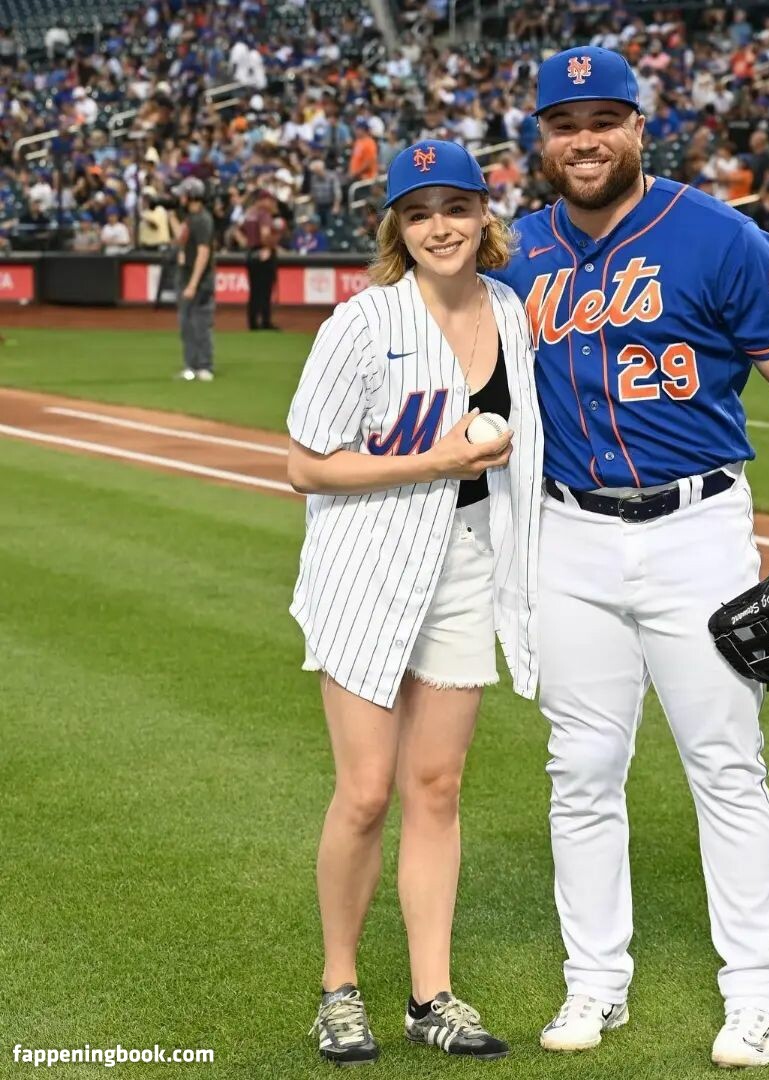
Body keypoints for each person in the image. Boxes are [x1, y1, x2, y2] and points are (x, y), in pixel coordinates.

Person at [491, 46, 769, 1069]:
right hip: (566, 535)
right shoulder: (515, 252)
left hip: (696, 530)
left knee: (725, 763)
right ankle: (594, 981)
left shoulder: (719, 236)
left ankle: (755, 991)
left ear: (640, 127)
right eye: (565, 124)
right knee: (581, 769)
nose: (585, 140)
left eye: (603, 119)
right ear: (541, 139)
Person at [288, 140, 543, 1067]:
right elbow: (304, 465)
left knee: (436, 788)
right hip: (366, 560)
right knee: (364, 793)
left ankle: (431, 996)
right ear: (397, 227)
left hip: (466, 561)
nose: (441, 227)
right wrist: (435, 459)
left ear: (484, 213)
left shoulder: (511, 312)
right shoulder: (363, 323)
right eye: (420, 211)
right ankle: (339, 989)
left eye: (456, 207)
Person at [173, 177, 215, 381]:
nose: (180, 198)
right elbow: (180, 240)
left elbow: (203, 253)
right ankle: (190, 366)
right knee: (186, 325)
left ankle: (205, 367)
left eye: (183, 194)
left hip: (199, 280)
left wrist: (193, 284)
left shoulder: (203, 220)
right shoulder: (190, 218)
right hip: (186, 276)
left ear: (191, 196)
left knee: (201, 324)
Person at [240, 189, 278, 331]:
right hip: (263, 253)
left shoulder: (249, 214)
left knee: (254, 291)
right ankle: (265, 322)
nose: (271, 203)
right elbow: (265, 235)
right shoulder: (264, 214)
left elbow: (237, 230)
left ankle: (253, 323)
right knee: (265, 290)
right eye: (269, 200)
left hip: (251, 253)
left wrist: (247, 243)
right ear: (262, 201)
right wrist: (269, 247)